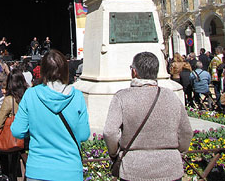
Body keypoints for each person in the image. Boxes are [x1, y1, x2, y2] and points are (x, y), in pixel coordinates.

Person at [104, 52, 193, 181]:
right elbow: (186, 132)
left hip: (134, 169)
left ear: (134, 72)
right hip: (170, 168)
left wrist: (114, 153)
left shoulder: (122, 97)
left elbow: (109, 132)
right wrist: (176, 152)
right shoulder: (171, 96)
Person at [11, 49, 90, 181]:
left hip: (38, 170)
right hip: (70, 170)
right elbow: (83, 134)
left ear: (43, 70)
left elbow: (18, 131)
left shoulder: (31, 95)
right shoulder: (77, 96)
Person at [0, 68, 28, 181]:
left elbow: (0, 120)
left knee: (8, 169)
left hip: (12, 137)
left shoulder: (9, 100)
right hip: (27, 137)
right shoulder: (28, 96)